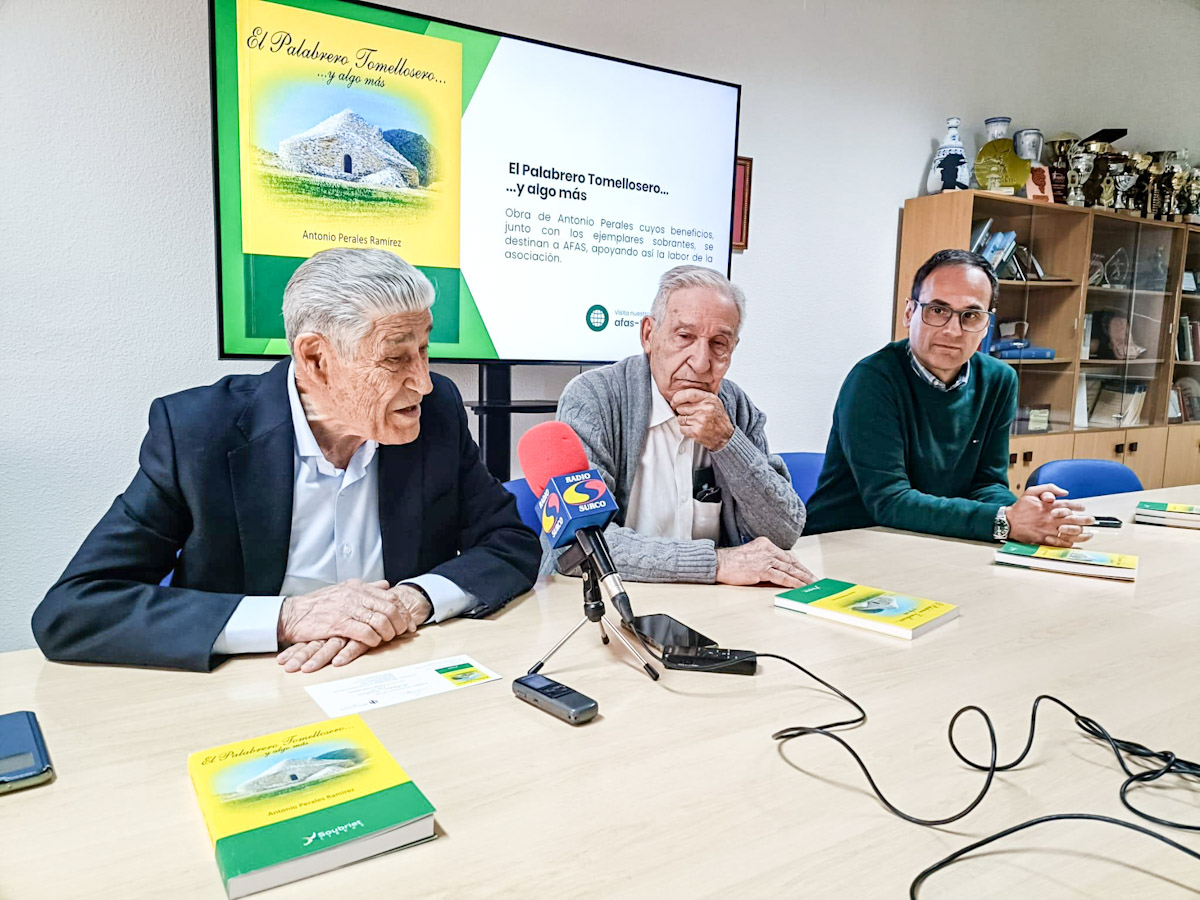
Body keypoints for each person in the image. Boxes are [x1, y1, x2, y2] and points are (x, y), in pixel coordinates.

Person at [33, 248, 540, 673]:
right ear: (316, 358)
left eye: (425, 351)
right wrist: (289, 618)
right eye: (395, 357)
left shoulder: (437, 411)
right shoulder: (198, 431)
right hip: (255, 685)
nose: (423, 382)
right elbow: (74, 609)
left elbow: (510, 541)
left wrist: (411, 600)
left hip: (403, 668)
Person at [805, 248, 1094, 545]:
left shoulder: (999, 380)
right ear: (909, 313)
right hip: (846, 542)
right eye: (937, 310)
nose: (953, 330)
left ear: (986, 325)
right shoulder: (873, 379)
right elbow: (889, 501)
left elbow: (987, 483)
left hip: (935, 540)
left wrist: (1025, 515)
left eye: (971, 315)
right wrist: (1003, 522)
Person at [552, 265, 811, 588]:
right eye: (685, 337)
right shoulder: (593, 398)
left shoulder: (736, 406)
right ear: (649, 335)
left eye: (719, 343)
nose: (701, 362)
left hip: (713, 602)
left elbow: (784, 531)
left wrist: (728, 442)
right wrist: (716, 563)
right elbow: (579, 544)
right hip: (613, 595)